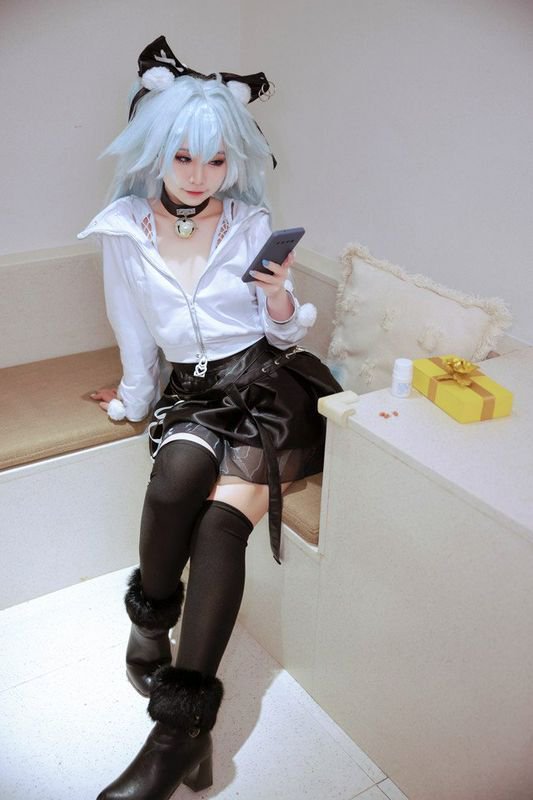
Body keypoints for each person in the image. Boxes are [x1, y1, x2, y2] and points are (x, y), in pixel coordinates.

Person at [78, 35, 341, 800]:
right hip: (194, 392)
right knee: (174, 482)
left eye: (217, 160)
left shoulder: (250, 225)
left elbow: (283, 336)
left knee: (220, 526)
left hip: (266, 385)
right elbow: (133, 329)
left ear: (235, 161)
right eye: (184, 157)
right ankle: (148, 624)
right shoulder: (123, 229)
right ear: (155, 153)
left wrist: (279, 296)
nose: (199, 176)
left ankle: (178, 737)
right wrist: (131, 400)